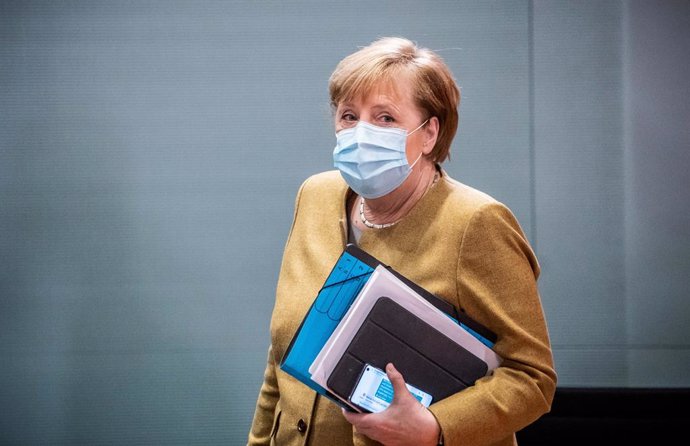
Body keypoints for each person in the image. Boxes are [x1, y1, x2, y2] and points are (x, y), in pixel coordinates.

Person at [247, 36, 556, 446]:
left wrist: (434, 427)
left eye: (385, 118)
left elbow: (532, 377)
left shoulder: (476, 223)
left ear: (429, 133)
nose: (361, 133)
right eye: (349, 116)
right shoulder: (315, 197)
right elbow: (282, 354)